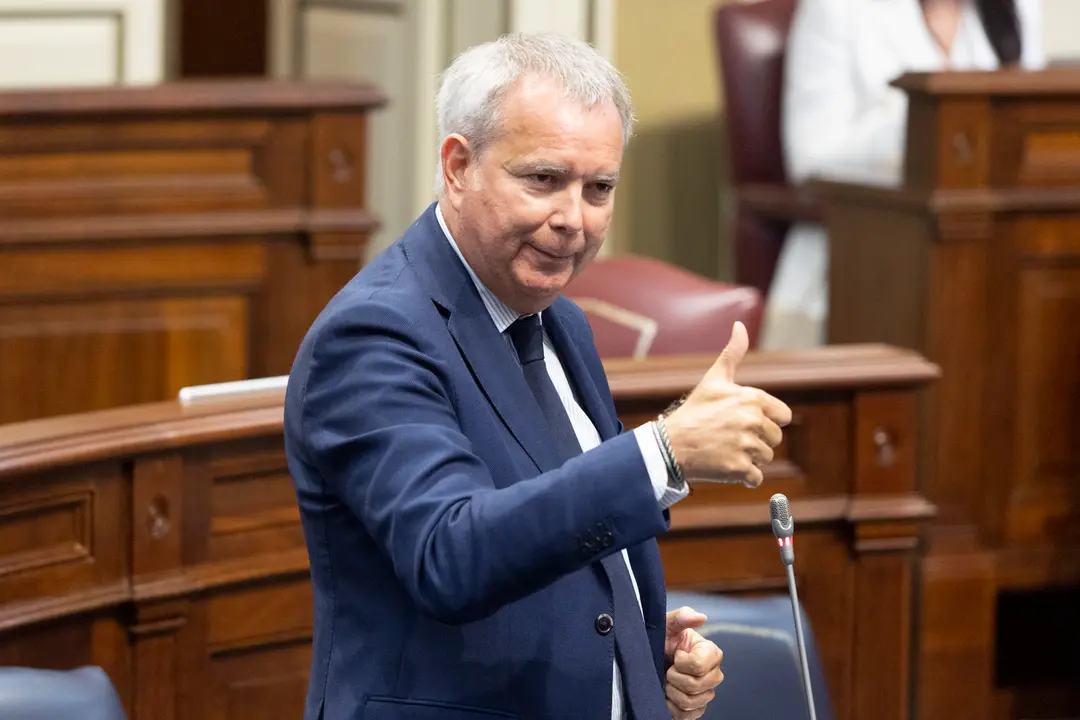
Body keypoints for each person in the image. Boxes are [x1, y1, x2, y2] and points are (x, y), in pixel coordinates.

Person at [284, 32, 792, 720]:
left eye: (599, 188)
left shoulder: (562, 323)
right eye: (544, 180)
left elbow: (558, 528)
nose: (573, 221)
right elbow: (452, 554)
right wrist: (663, 452)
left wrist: (637, 653)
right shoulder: (374, 334)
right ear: (458, 166)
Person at [759, 0, 1045, 350]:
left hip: (996, 260)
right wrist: (933, 120)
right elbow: (811, 157)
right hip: (864, 255)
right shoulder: (836, 9)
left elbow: (1031, 135)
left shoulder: (1018, 8)